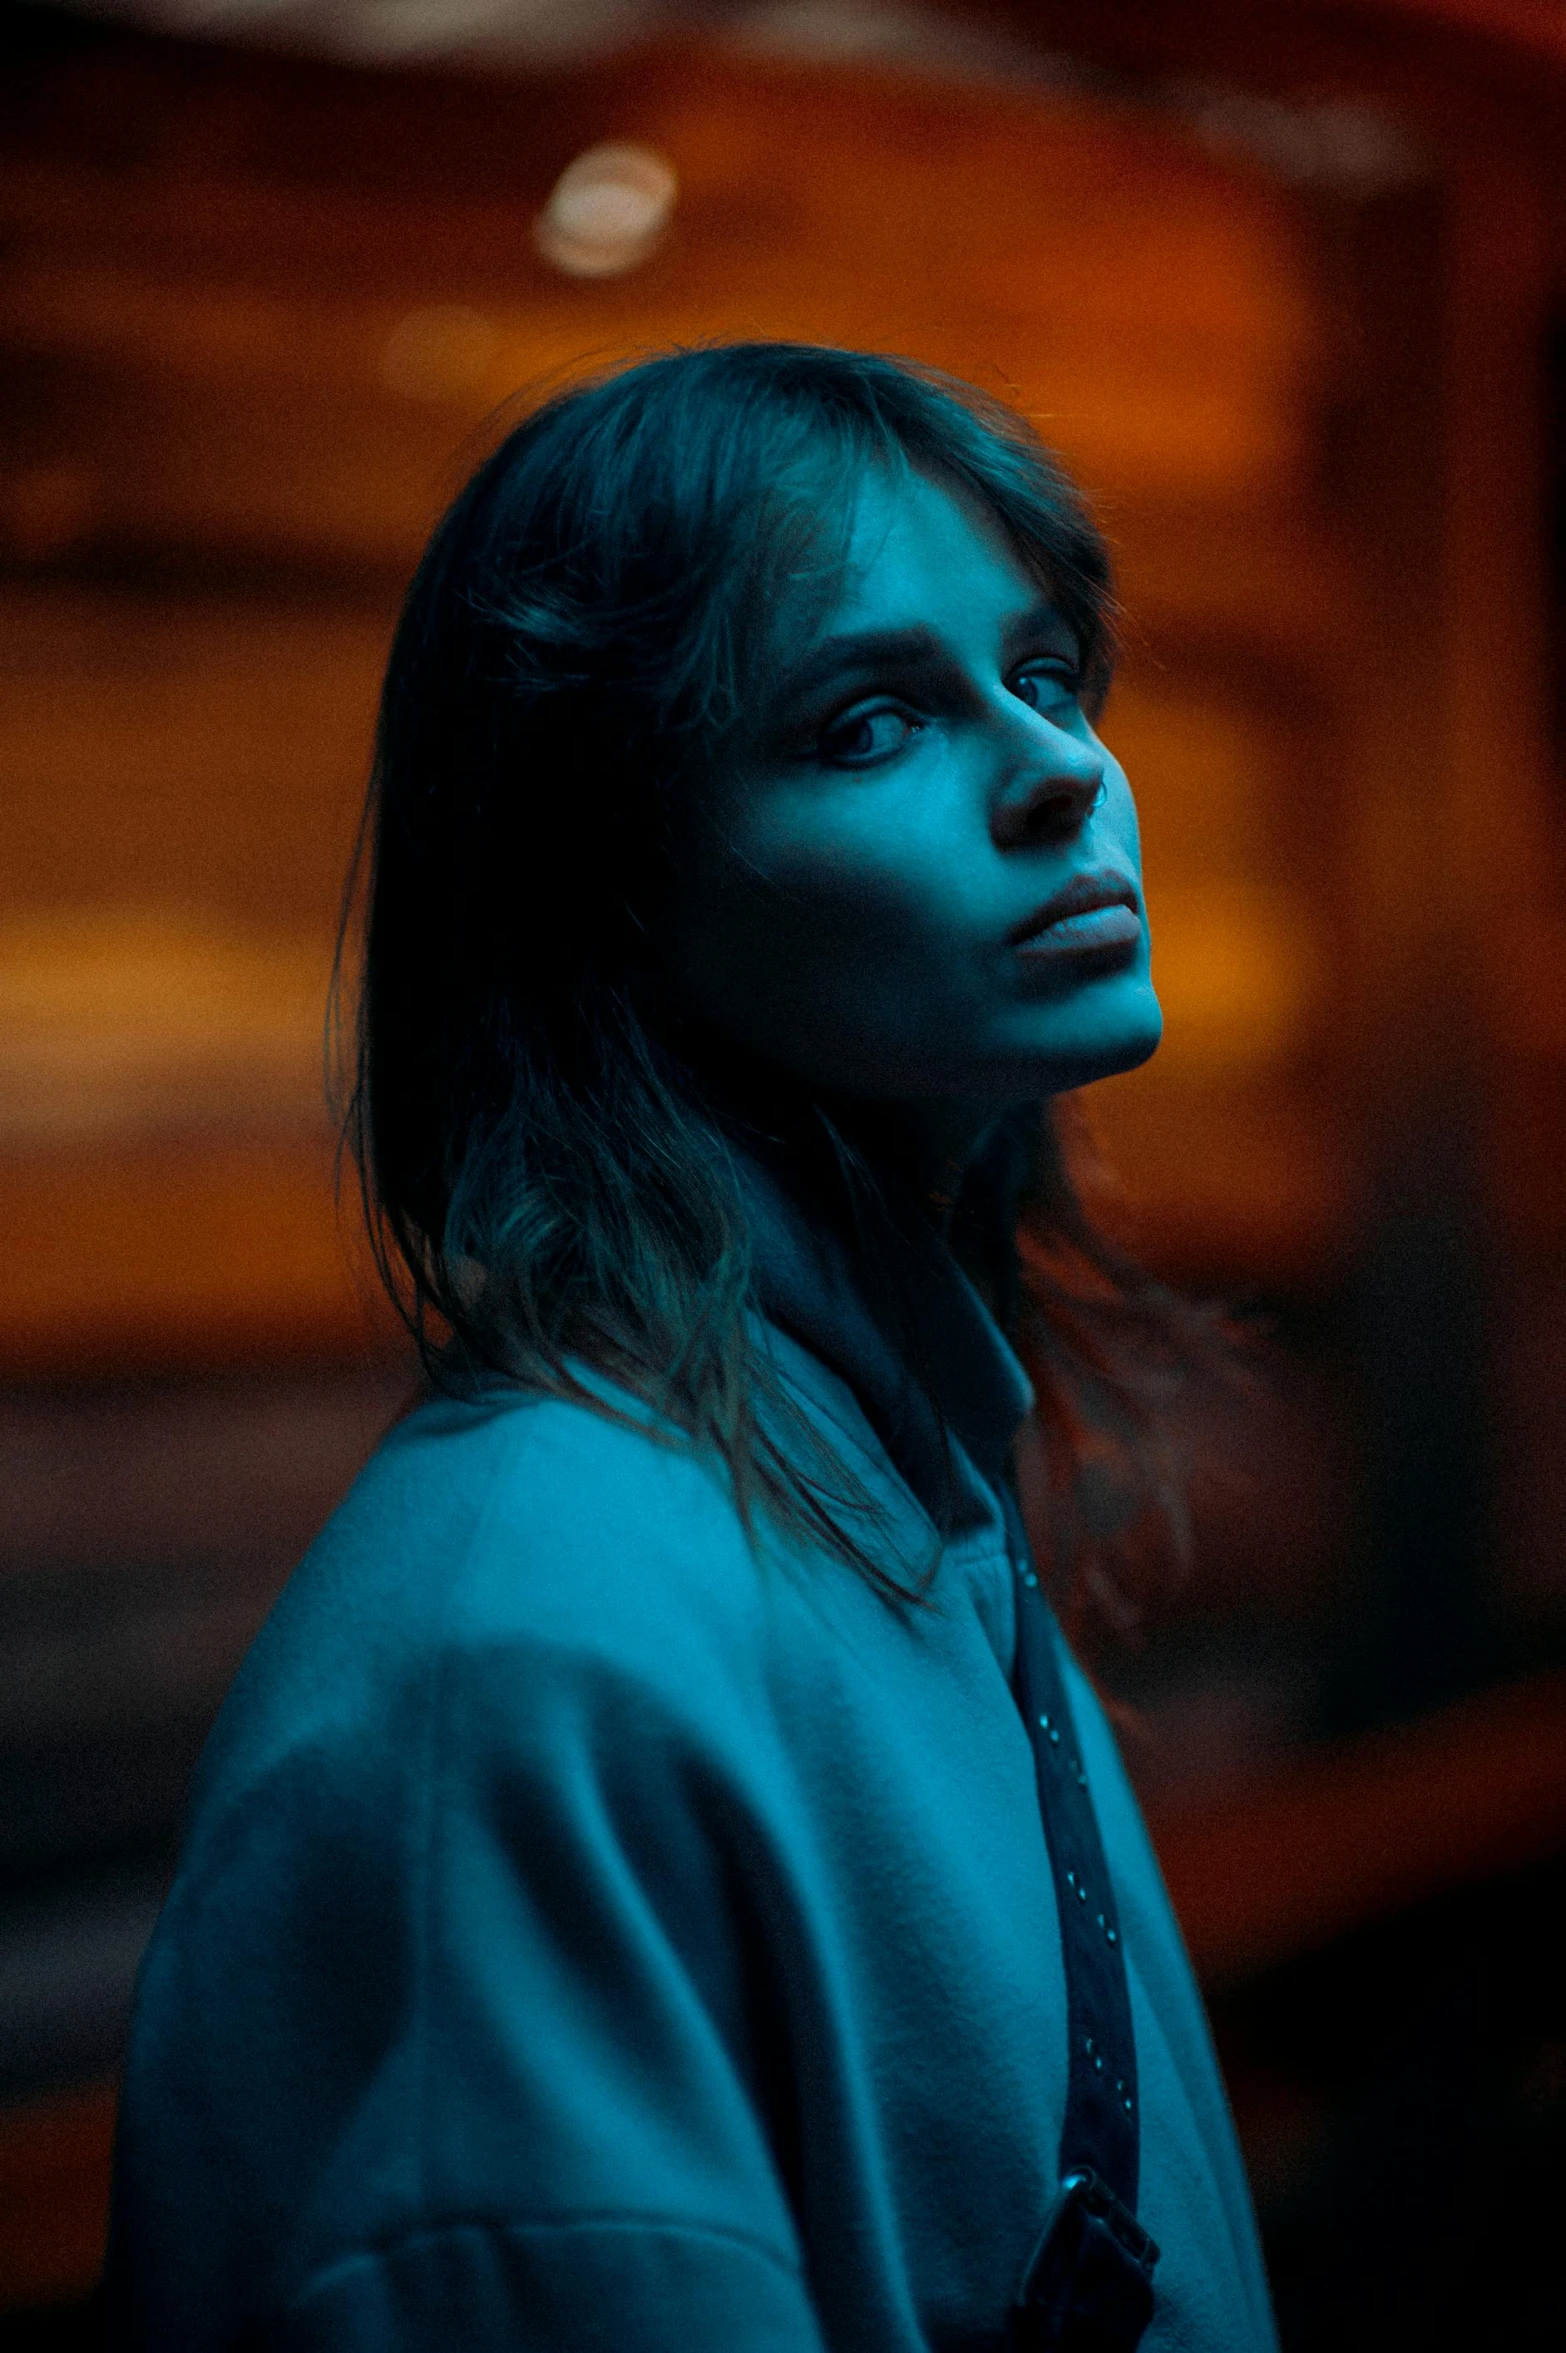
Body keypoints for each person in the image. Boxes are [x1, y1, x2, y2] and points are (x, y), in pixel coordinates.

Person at [107, 343, 1278, 2351]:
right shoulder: (528, 1662)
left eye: (1052, 672)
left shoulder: (879, 1468)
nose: (1062, 768)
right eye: (867, 719)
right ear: (611, 880)